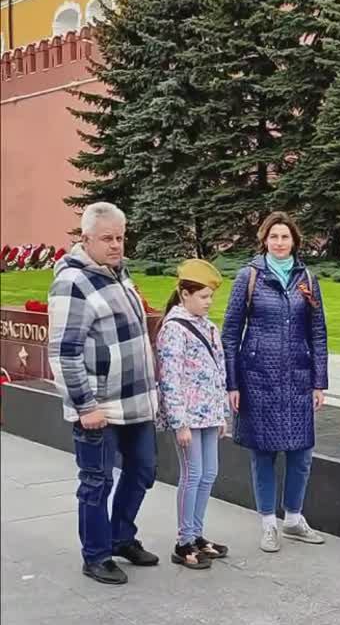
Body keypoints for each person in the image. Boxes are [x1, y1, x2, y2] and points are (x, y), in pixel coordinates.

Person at [48, 202, 158, 585]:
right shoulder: (72, 282)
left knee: (143, 469)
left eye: (120, 237)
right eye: (107, 238)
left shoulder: (118, 273)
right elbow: (64, 352)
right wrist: (85, 405)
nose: (116, 245)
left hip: (135, 402)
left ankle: (120, 536)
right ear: (86, 239)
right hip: (99, 408)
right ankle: (96, 555)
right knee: (97, 482)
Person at [222, 211, 329, 553]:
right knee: (263, 453)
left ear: (294, 241)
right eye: (273, 237)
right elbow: (230, 332)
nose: (279, 243)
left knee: (302, 452)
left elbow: (318, 333)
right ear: (264, 241)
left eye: (285, 237)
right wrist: (232, 383)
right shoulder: (249, 276)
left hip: (298, 378)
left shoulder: (307, 279)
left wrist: (319, 382)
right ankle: (268, 523)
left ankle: (294, 519)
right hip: (258, 378)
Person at [155, 260, 229, 570]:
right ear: (185, 294)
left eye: (211, 296)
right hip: (187, 417)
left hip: (209, 414)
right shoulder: (174, 329)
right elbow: (169, 378)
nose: (209, 302)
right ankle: (184, 541)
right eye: (203, 296)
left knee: (209, 473)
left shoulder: (209, 326)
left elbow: (219, 373)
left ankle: (197, 535)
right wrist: (179, 422)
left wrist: (222, 413)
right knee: (193, 474)